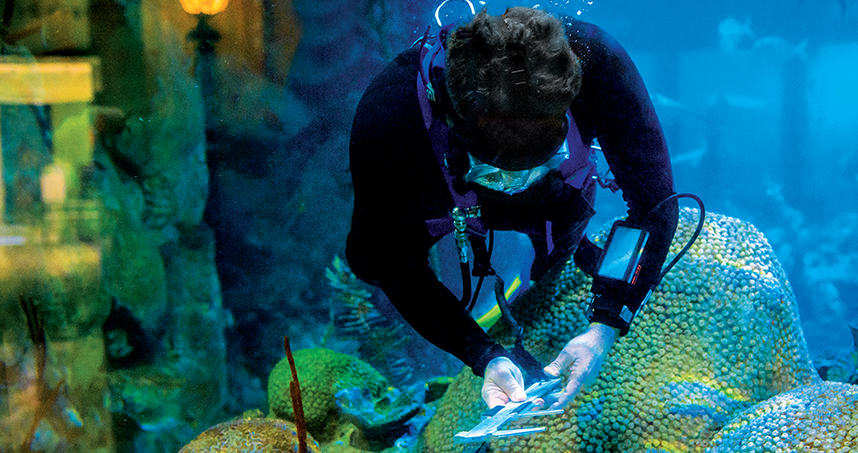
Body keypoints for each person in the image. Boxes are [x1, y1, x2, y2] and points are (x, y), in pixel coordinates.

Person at [346, 6, 678, 410]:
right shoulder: (390, 118)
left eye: (543, 162)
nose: (517, 184)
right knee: (380, 252)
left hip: (559, 201)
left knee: (561, 232)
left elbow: (655, 206)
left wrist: (606, 324)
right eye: (498, 174)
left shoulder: (596, 63)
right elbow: (388, 262)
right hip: (453, 193)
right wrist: (483, 354)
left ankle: (560, 229)